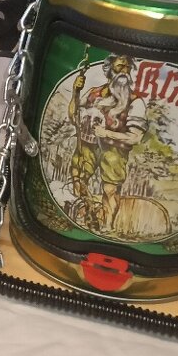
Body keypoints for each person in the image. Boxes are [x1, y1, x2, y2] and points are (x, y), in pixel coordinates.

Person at [69, 53, 147, 234]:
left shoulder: (135, 101)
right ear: (109, 70)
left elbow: (136, 137)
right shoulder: (93, 93)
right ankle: (88, 216)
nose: (124, 71)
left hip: (114, 150)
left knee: (110, 189)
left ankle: (108, 228)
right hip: (87, 144)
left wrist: (107, 133)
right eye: (120, 66)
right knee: (78, 179)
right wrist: (75, 92)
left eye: (127, 68)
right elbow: (73, 117)